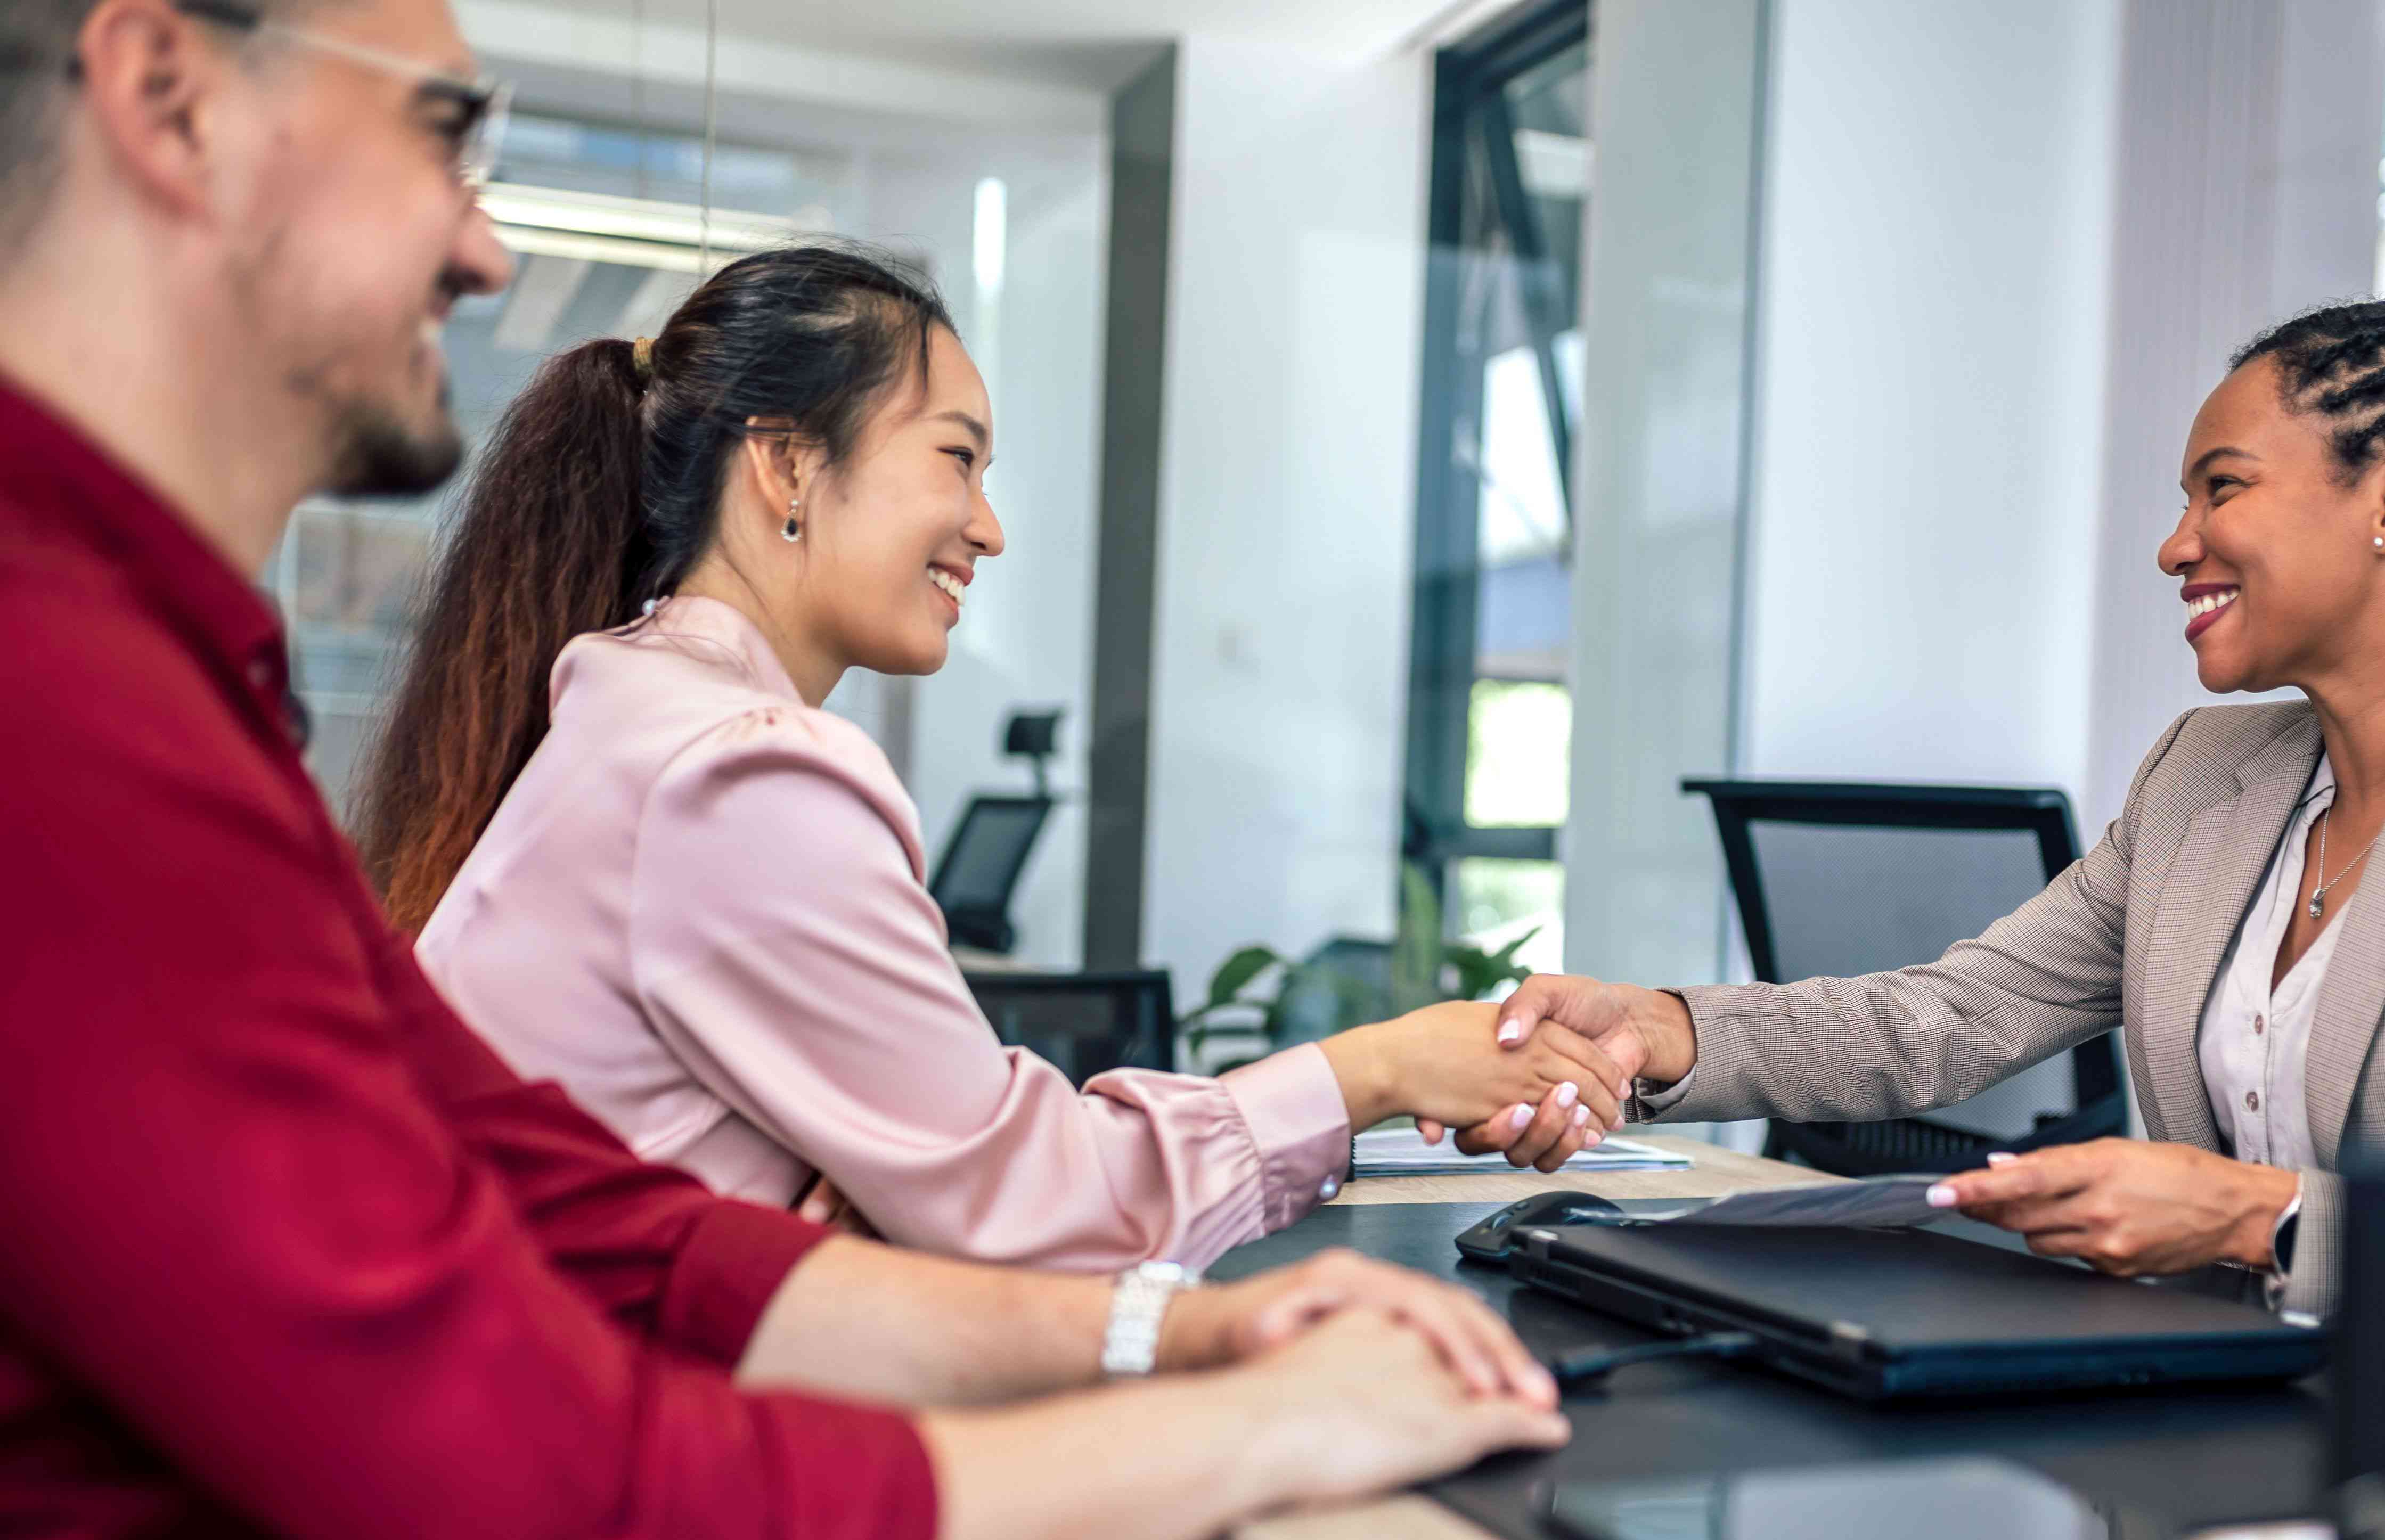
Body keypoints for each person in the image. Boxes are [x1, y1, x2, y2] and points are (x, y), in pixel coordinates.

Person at [0, 3, 1567, 1540]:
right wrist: (1251, 1409)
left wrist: (1169, 1341)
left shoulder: (182, 684)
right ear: (165, 94)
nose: (485, 242)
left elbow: (621, 1233)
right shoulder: (83, 718)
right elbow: (586, 1490)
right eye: (441, 132)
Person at [1448, 298, 2385, 1315]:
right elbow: (1950, 1016)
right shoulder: (2207, 776)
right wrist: (1662, 1028)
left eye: (2224, 487)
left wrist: (2261, 1219)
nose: (2176, 543)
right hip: (2216, 1421)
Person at [354, 243, 1626, 1281]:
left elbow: (952, 1184)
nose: (990, 528)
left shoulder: (630, 708)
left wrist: (882, 1192)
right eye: (955, 457)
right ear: (789, 463)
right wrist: (1383, 1066)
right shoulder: (739, 775)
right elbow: (1038, 1213)